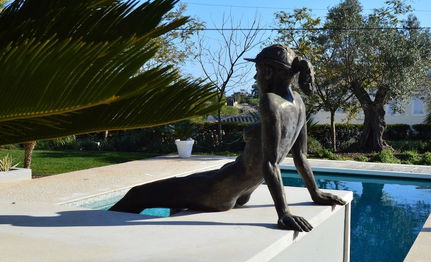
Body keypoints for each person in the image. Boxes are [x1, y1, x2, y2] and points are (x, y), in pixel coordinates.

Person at [109, 44, 346, 232]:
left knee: (138, 195)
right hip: (240, 187)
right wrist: (315, 194)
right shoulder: (299, 103)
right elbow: (301, 156)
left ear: (267, 71)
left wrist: (283, 212)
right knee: (178, 194)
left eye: (257, 72)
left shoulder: (271, 102)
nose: (255, 79)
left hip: (221, 191)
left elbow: (270, 163)